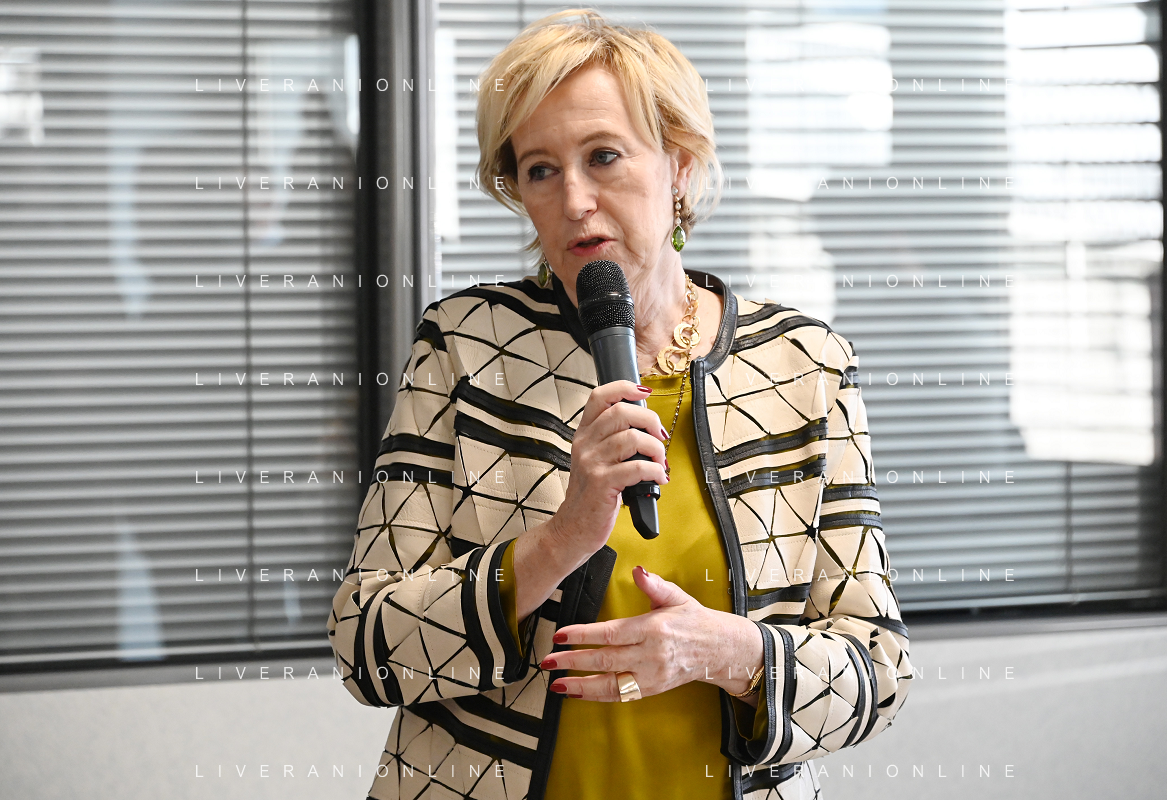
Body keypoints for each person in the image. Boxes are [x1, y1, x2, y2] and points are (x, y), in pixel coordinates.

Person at [328, 9, 910, 800]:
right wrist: (560, 538)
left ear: (679, 165)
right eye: (540, 169)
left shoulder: (804, 363)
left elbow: (877, 670)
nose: (573, 200)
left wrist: (729, 654)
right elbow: (365, 646)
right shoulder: (465, 345)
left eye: (603, 156)